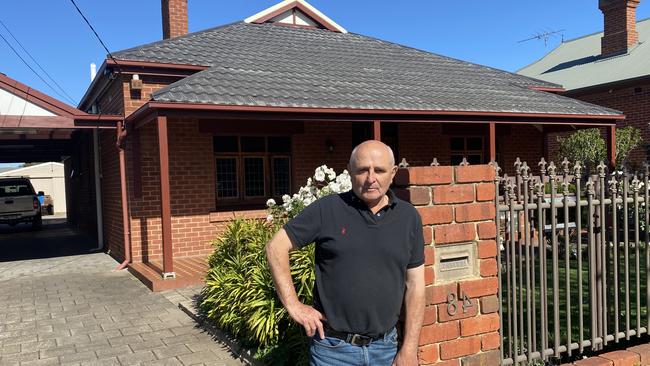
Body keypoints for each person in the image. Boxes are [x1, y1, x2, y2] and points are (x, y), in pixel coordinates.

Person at [265, 140, 425, 366]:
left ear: (393, 173)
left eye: (379, 170)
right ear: (350, 172)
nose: (371, 178)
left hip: (386, 349)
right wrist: (294, 305)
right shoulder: (328, 209)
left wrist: (409, 348)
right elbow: (276, 247)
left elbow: (416, 286)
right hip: (333, 351)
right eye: (362, 170)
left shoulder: (409, 218)